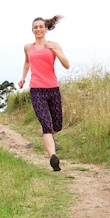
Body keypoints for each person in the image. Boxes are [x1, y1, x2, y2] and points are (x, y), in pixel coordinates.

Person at [18, 15, 70, 171]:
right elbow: (27, 62)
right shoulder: (28, 47)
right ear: (32, 30)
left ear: (46, 29)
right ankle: (53, 157)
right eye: (35, 27)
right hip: (36, 89)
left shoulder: (53, 45)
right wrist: (23, 78)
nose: (38, 29)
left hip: (53, 88)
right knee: (47, 126)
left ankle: (47, 136)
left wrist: (55, 51)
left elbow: (66, 65)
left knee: (57, 125)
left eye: (41, 27)